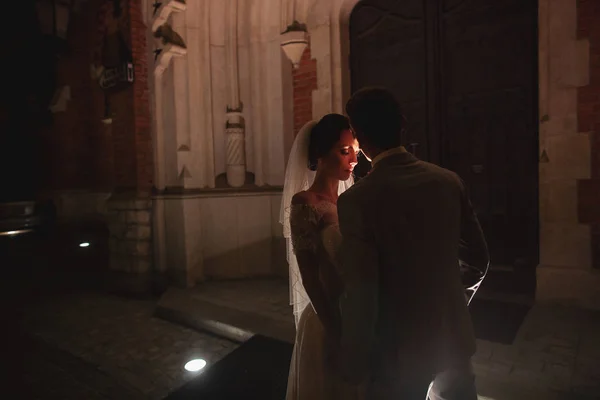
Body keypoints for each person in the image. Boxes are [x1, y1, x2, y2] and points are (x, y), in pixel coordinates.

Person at [336, 87, 490, 399]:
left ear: (359, 138)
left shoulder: (357, 201)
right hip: (451, 339)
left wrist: (354, 357)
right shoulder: (448, 181)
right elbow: (479, 260)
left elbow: (361, 292)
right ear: (402, 125)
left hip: (398, 349)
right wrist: (446, 298)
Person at [280, 114, 365, 400]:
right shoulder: (305, 203)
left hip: (357, 313)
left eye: (355, 149)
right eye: (344, 151)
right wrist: (337, 332)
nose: (353, 159)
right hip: (327, 317)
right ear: (321, 154)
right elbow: (310, 276)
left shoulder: (351, 201)